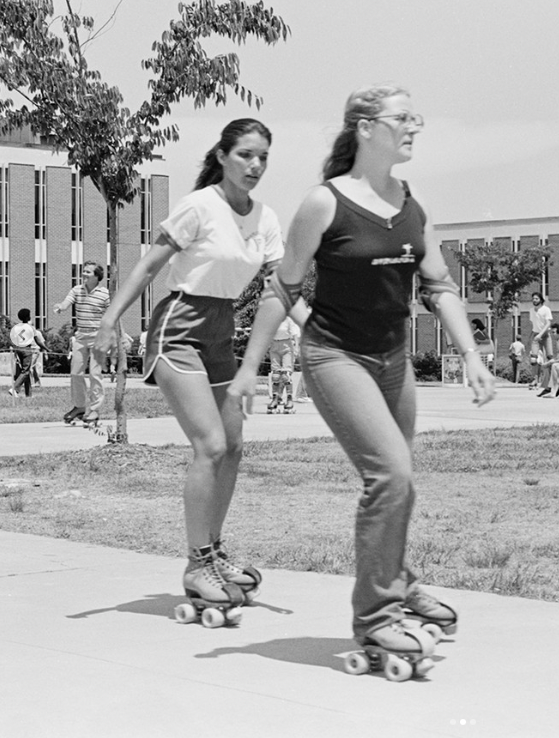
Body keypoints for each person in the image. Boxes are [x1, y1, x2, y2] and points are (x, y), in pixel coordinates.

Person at [228, 84, 494, 660]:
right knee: (390, 476)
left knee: (400, 482)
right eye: (404, 118)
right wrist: (250, 367)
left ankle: (395, 582)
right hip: (335, 356)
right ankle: (375, 618)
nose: (414, 127)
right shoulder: (325, 202)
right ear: (366, 128)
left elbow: (439, 285)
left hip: (393, 360)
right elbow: (284, 287)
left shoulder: (409, 201)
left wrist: (471, 355)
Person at [92, 118, 293, 620]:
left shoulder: (265, 218)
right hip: (179, 326)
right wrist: (109, 322)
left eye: (263, 156)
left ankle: (214, 551)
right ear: (223, 155)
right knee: (211, 445)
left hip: (221, 331)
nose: (256, 165)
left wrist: (325, 332)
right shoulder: (200, 205)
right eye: (246, 154)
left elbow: (281, 288)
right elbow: (147, 266)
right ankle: (197, 562)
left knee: (235, 448)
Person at [53, 261, 110, 426]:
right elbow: (67, 302)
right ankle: (79, 406)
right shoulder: (77, 290)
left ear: (97, 276)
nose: (84, 274)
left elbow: (112, 314)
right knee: (76, 373)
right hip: (80, 337)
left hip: (99, 337)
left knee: (95, 374)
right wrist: (60, 307)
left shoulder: (104, 294)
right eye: (83, 271)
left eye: (88, 272)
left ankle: (94, 410)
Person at [8, 308, 48, 398]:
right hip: (27, 350)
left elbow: (12, 339)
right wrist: (46, 348)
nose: (30, 316)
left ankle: (28, 394)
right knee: (25, 371)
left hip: (18, 349)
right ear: (27, 317)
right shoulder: (31, 328)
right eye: (29, 315)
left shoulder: (17, 327)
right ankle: (14, 389)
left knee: (25, 371)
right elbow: (38, 341)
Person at [267, 316, 301, 413]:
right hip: (274, 345)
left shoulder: (288, 318)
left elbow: (294, 333)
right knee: (276, 375)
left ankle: (289, 400)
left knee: (286, 375)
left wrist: (296, 347)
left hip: (286, 345)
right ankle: (275, 399)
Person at [526, 292, 553, 387]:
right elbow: (533, 324)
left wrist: (541, 334)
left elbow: (548, 323)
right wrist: (531, 337)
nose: (534, 300)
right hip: (535, 335)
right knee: (533, 358)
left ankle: (551, 379)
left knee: (550, 357)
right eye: (533, 298)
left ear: (541, 300)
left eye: (536, 298)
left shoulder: (546, 309)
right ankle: (535, 379)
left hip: (545, 335)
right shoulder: (531, 310)